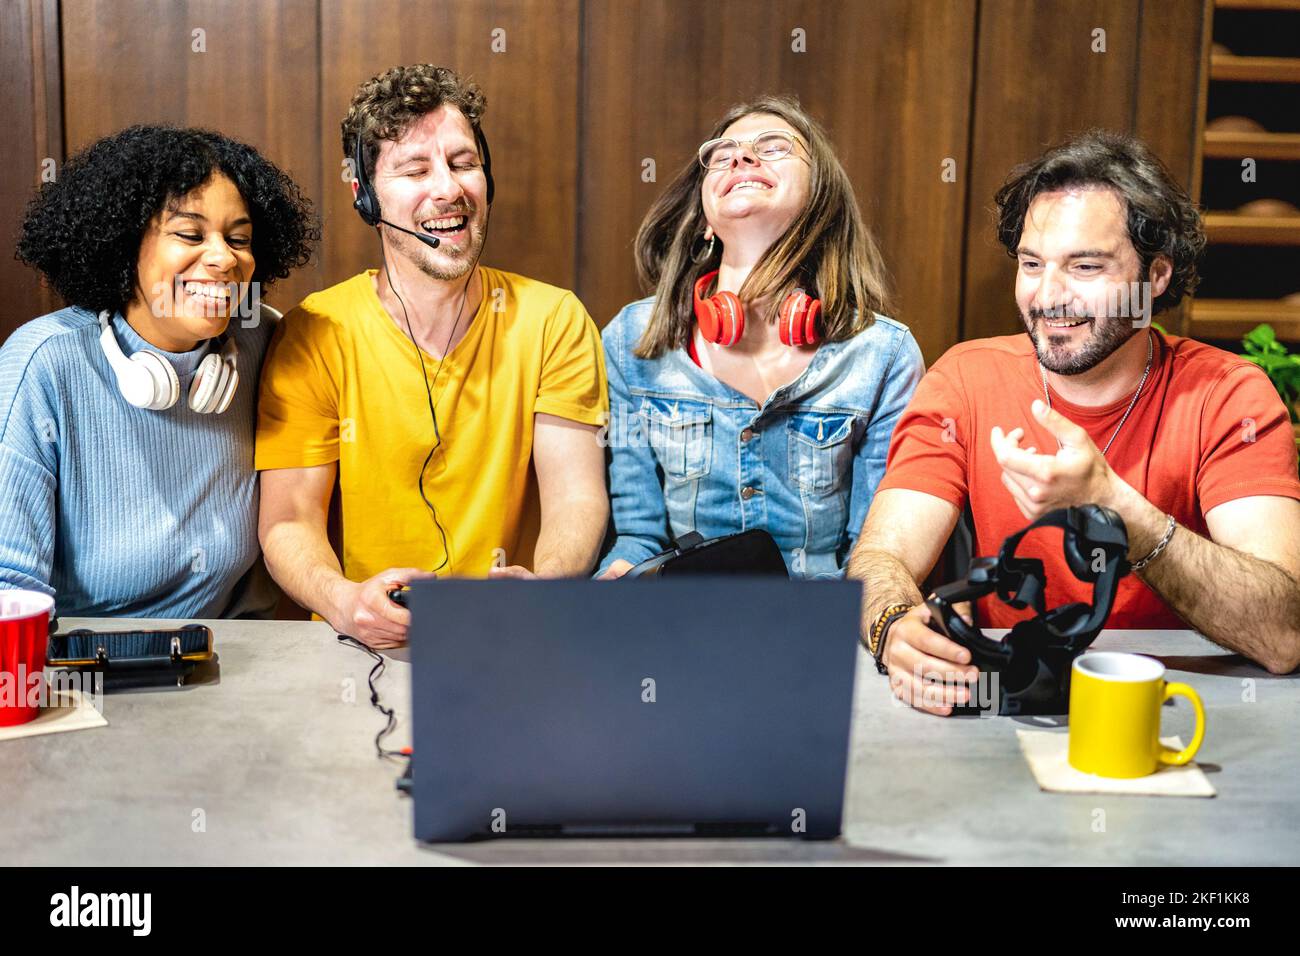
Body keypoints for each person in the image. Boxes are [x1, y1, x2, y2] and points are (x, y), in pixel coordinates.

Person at [850, 130, 1300, 715]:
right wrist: (893, 625)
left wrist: (1116, 507)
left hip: (1180, 709)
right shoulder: (965, 377)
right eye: (1032, 264)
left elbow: (1284, 633)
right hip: (1010, 709)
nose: (1049, 296)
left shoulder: (1228, 395)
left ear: (1156, 276)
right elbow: (879, 559)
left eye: (1085, 266)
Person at [256, 65, 608, 649]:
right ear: (365, 196)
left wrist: (545, 584)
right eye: (415, 169)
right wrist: (347, 603)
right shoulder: (316, 332)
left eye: (464, 163)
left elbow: (576, 495)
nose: (448, 189)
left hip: (515, 640)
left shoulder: (555, 319)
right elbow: (289, 521)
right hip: (360, 648)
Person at [597, 95, 923, 580]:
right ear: (706, 218)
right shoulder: (632, 340)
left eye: (773, 148)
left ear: (820, 197)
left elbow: (870, 555)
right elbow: (639, 538)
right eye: (723, 153)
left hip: (816, 626)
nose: (741, 157)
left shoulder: (884, 355)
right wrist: (608, 595)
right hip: (681, 627)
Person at [0, 124, 317, 617]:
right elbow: (9, 589)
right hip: (83, 672)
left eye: (239, 239)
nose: (222, 258)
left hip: (222, 664)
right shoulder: (45, 363)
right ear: (126, 245)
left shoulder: (263, 345)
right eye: (189, 233)